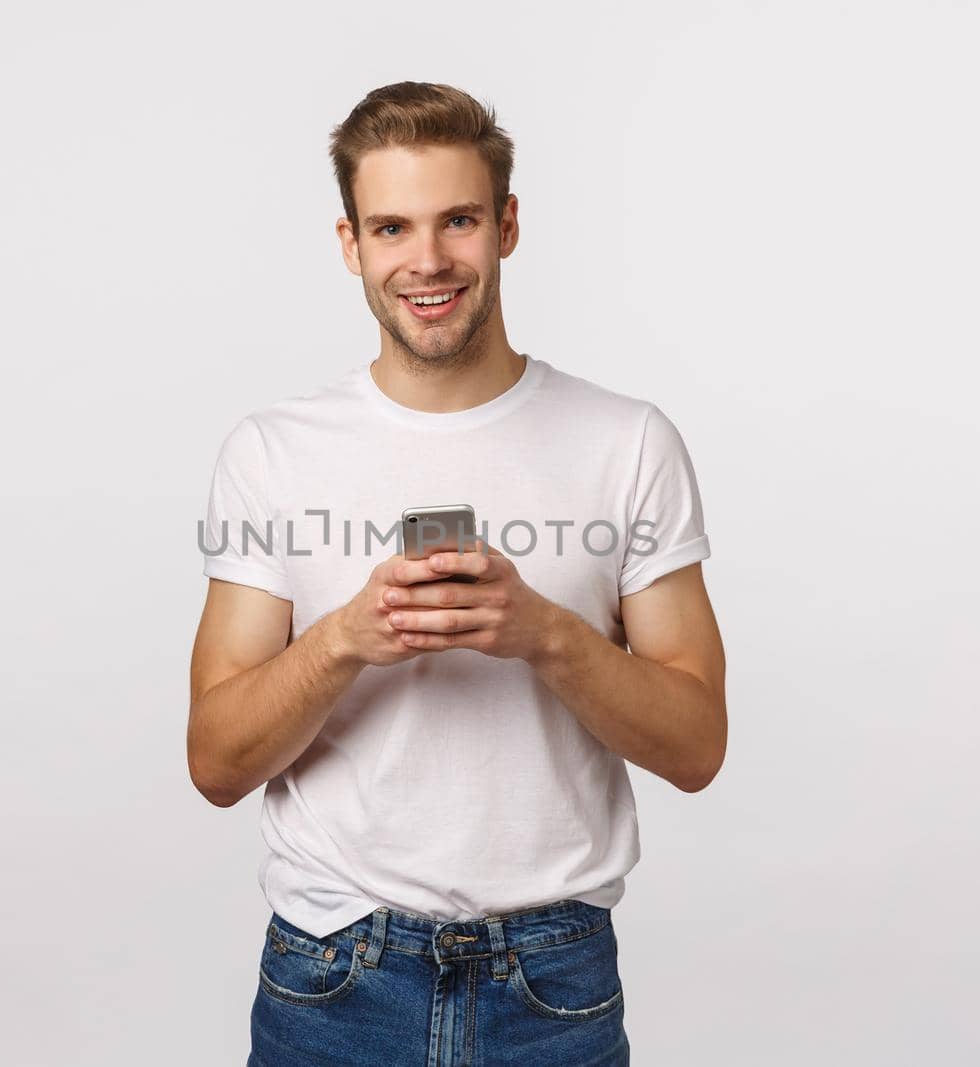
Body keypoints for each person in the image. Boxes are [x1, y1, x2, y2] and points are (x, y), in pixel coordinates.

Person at [189, 81, 727, 1066]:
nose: (427, 260)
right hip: (334, 974)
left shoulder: (627, 442)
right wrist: (346, 639)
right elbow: (217, 762)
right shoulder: (272, 451)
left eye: (459, 220)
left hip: (552, 977)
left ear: (507, 226)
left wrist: (546, 632)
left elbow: (697, 745)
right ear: (350, 243)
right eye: (391, 226)